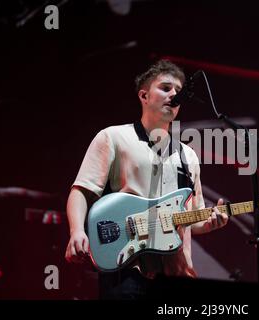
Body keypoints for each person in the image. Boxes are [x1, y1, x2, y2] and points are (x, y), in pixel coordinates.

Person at [65, 60, 229, 299]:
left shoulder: (188, 155)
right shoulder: (114, 137)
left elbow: (192, 219)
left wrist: (211, 222)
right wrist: (77, 230)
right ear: (144, 95)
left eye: (178, 91)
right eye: (165, 88)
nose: (174, 94)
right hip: (127, 268)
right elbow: (82, 190)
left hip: (177, 272)